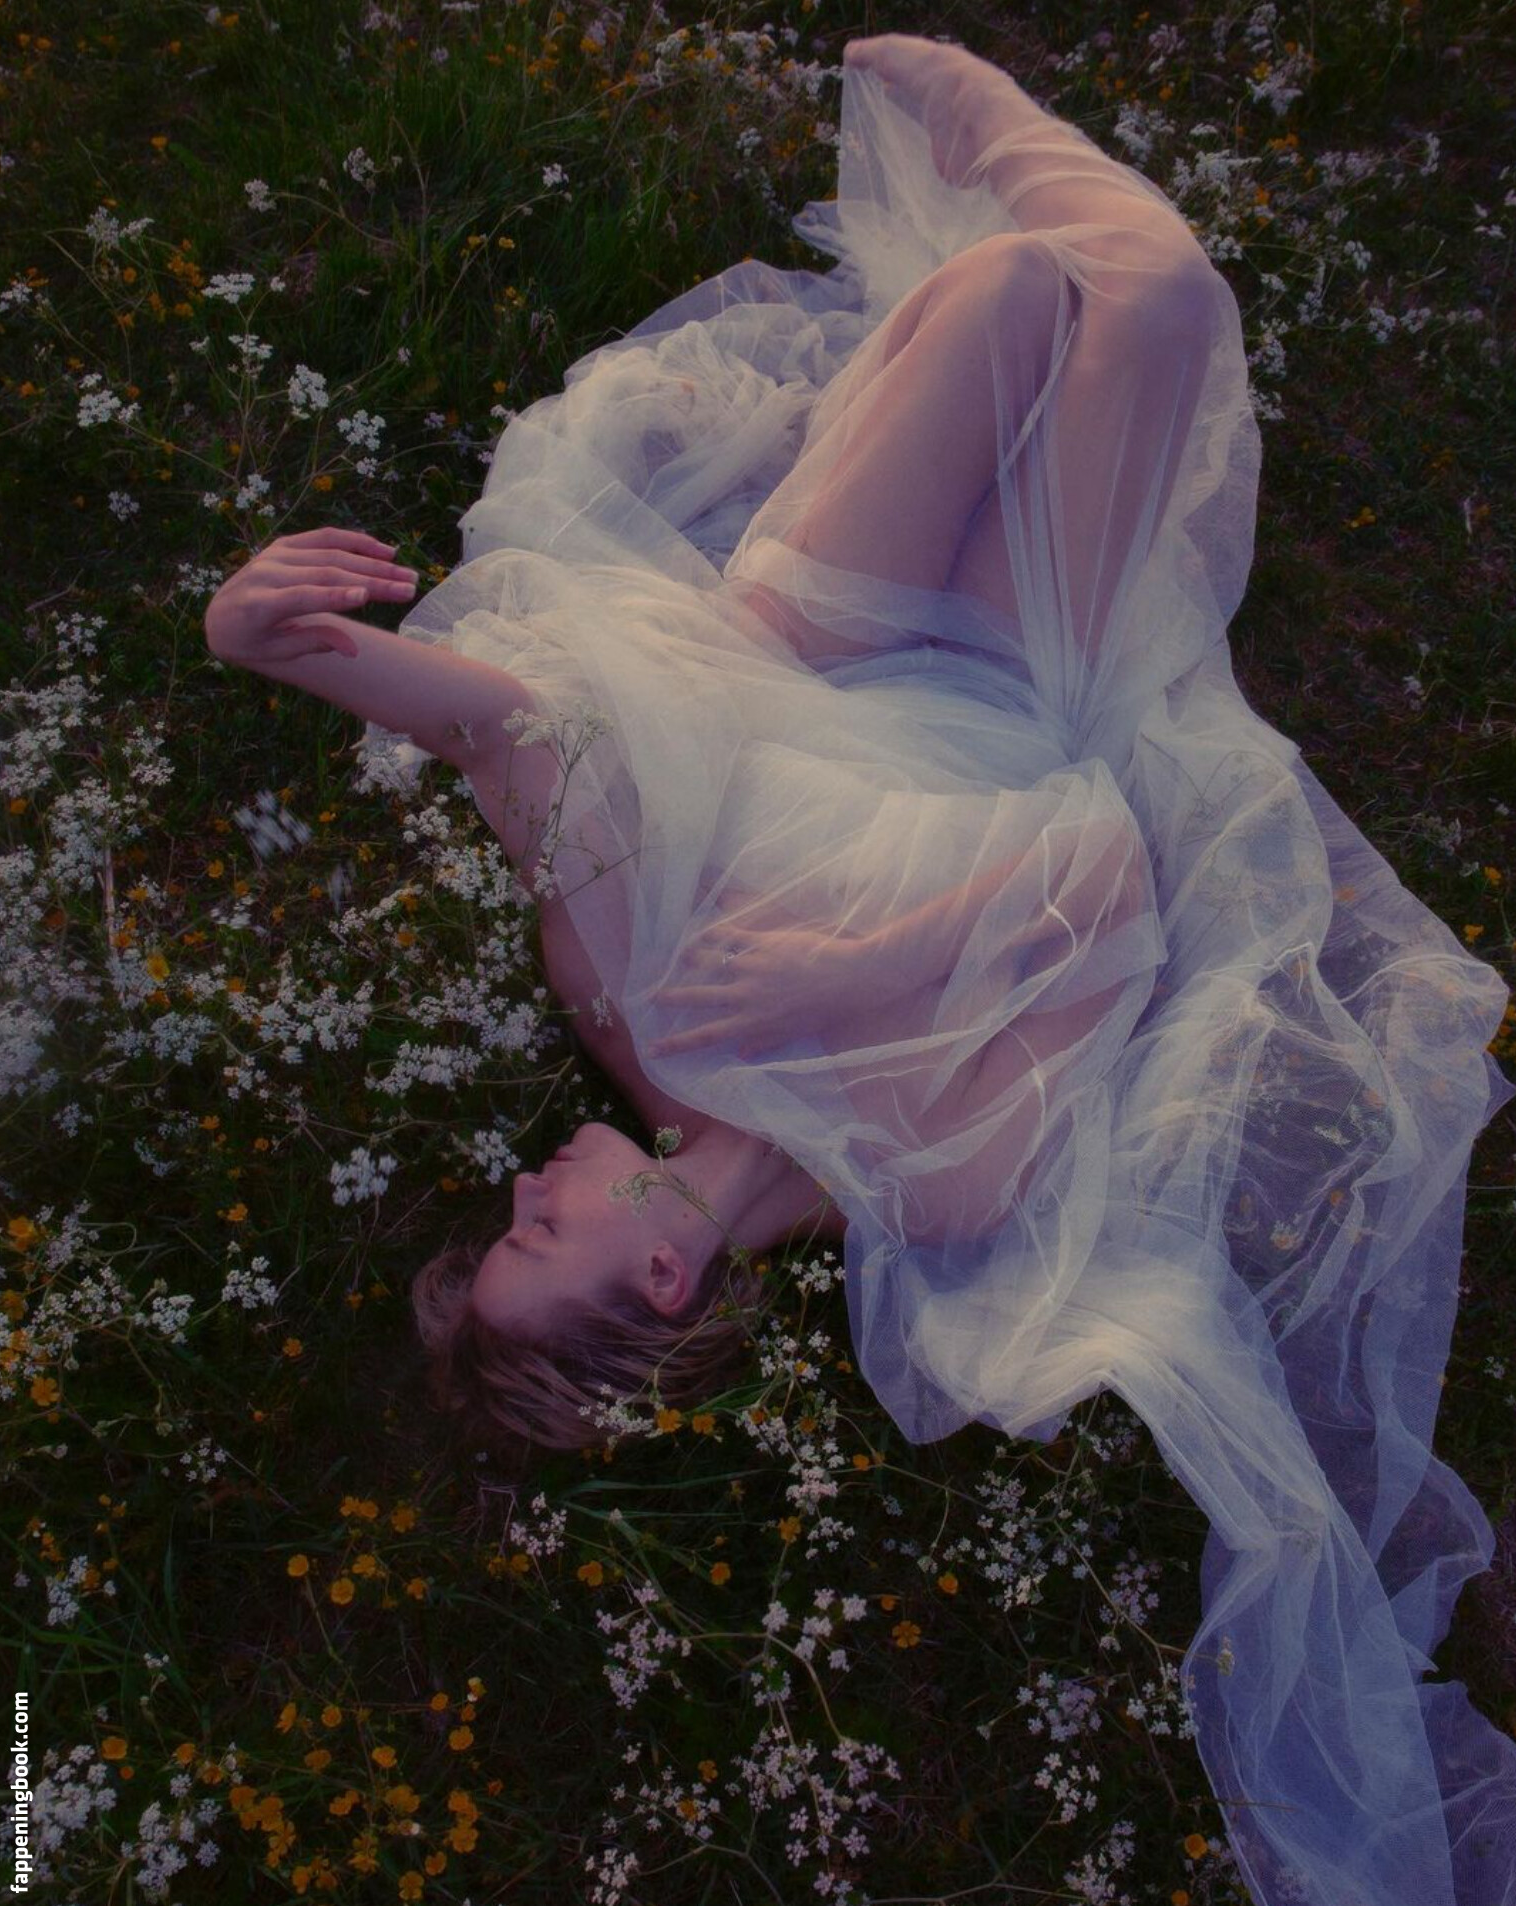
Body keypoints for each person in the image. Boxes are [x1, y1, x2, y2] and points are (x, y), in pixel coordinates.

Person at [203, 33, 1516, 1906]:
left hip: (809, 642)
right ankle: (1008, 163)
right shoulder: (940, 1189)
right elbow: (1113, 898)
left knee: (1011, 295)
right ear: (664, 1273)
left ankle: (966, 189)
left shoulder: (638, 1014)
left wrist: (279, 650)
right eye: (535, 1235)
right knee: (1152, 298)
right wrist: (885, 949)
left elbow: (529, 734)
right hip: (1015, 706)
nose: (525, 1183)